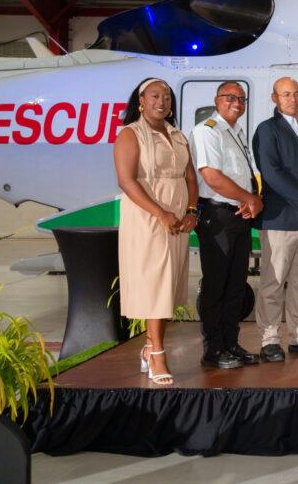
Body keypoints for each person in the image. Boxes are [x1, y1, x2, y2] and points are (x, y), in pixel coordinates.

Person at [113, 78, 198, 385]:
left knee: (169, 284)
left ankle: (150, 347)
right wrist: (160, 213)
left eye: (166, 97)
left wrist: (191, 211)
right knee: (154, 283)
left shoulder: (177, 135)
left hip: (176, 217)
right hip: (148, 216)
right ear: (141, 101)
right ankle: (158, 353)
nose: (161, 101)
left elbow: (190, 177)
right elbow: (127, 181)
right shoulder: (130, 134)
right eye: (154, 96)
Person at [190, 81, 264, 369]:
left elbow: (245, 174)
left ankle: (230, 343)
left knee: (236, 284)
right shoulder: (207, 130)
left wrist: (253, 200)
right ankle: (213, 349)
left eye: (241, 98)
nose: (236, 102)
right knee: (215, 285)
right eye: (230, 97)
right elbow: (212, 177)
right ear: (216, 100)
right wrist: (250, 198)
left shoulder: (236, 132)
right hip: (217, 216)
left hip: (238, 215)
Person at [251, 77, 298, 362]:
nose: (293, 99)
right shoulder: (267, 130)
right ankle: (269, 338)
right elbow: (270, 171)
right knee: (273, 280)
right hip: (281, 217)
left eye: (296, 93)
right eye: (286, 95)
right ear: (274, 99)